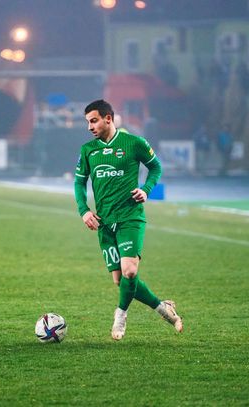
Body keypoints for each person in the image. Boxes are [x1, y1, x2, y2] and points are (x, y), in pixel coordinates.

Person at [74, 99, 183, 341]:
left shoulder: (134, 143)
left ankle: (121, 315)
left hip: (130, 217)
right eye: (88, 122)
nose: (90, 127)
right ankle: (163, 307)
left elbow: (156, 168)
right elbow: (79, 182)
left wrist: (146, 189)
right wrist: (84, 210)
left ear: (108, 118)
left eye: (94, 121)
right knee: (119, 280)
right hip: (104, 222)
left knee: (130, 271)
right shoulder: (88, 150)